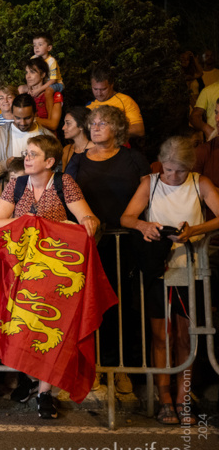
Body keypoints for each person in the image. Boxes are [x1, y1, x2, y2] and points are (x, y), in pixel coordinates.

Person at [0, 135, 100, 418]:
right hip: (22, 268)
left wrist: (88, 221)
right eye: (26, 153)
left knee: (51, 325)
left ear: (50, 161)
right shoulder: (17, 183)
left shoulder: (65, 183)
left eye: (33, 154)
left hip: (53, 273)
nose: (27, 158)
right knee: (24, 326)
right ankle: (28, 376)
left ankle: (44, 393)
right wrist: (30, 221)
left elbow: (88, 220)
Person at [120, 136, 219, 426]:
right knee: (161, 336)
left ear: (189, 167)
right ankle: (165, 400)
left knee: (185, 336)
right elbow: (127, 217)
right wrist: (143, 224)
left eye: (179, 171)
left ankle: (183, 399)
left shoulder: (200, 182)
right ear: (160, 164)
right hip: (158, 269)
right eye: (168, 170)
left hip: (192, 268)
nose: (173, 176)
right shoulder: (150, 183)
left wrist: (196, 229)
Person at [65, 104, 150, 393]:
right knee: (91, 308)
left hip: (126, 245)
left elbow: (149, 198)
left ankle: (122, 369)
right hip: (90, 246)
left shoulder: (134, 159)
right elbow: (66, 199)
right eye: (94, 122)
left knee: (124, 306)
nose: (96, 126)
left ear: (118, 128)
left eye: (103, 122)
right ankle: (96, 368)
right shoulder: (77, 161)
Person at [0, 94, 55, 191]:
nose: (22, 123)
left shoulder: (48, 137)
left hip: (40, 194)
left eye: (27, 118)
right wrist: (6, 164)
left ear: (35, 113)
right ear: (12, 114)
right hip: (8, 196)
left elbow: (56, 170)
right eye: (17, 118)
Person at [86, 63, 145, 137]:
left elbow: (139, 130)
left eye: (103, 89)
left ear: (111, 85)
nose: (99, 93)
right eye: (95, 89)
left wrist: (110, 131)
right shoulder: (89, 106)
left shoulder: (125, 101)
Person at [23, 57, 62, 131]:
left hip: (47, 139)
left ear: (43, 75)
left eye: (32, 72)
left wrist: (30, 119)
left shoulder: (54, 95)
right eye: (26, 72)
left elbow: (53, 125)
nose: (28, 76)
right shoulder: (24, 94)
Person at [60, 105, 94, 170]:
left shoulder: (97, 150)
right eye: (64, 123)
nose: (63, 128)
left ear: (81, 126)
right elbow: (64, 177)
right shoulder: (67, 149)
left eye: (68, 123)